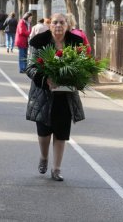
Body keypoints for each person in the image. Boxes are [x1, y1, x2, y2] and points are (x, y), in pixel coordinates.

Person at [26, 13, 85, 181]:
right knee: (44, 132)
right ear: (50, 25)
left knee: (61, 132)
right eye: (55, 22)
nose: (58, 25)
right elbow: (30, 67)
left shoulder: (75, 42)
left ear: (67, 24)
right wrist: (46, 80)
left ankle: (56, 169)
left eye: (62, 22)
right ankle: (44, 157)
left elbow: (83, 65)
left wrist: (77, 79)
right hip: (43, 94)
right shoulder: (39, 42)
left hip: (65, 96)